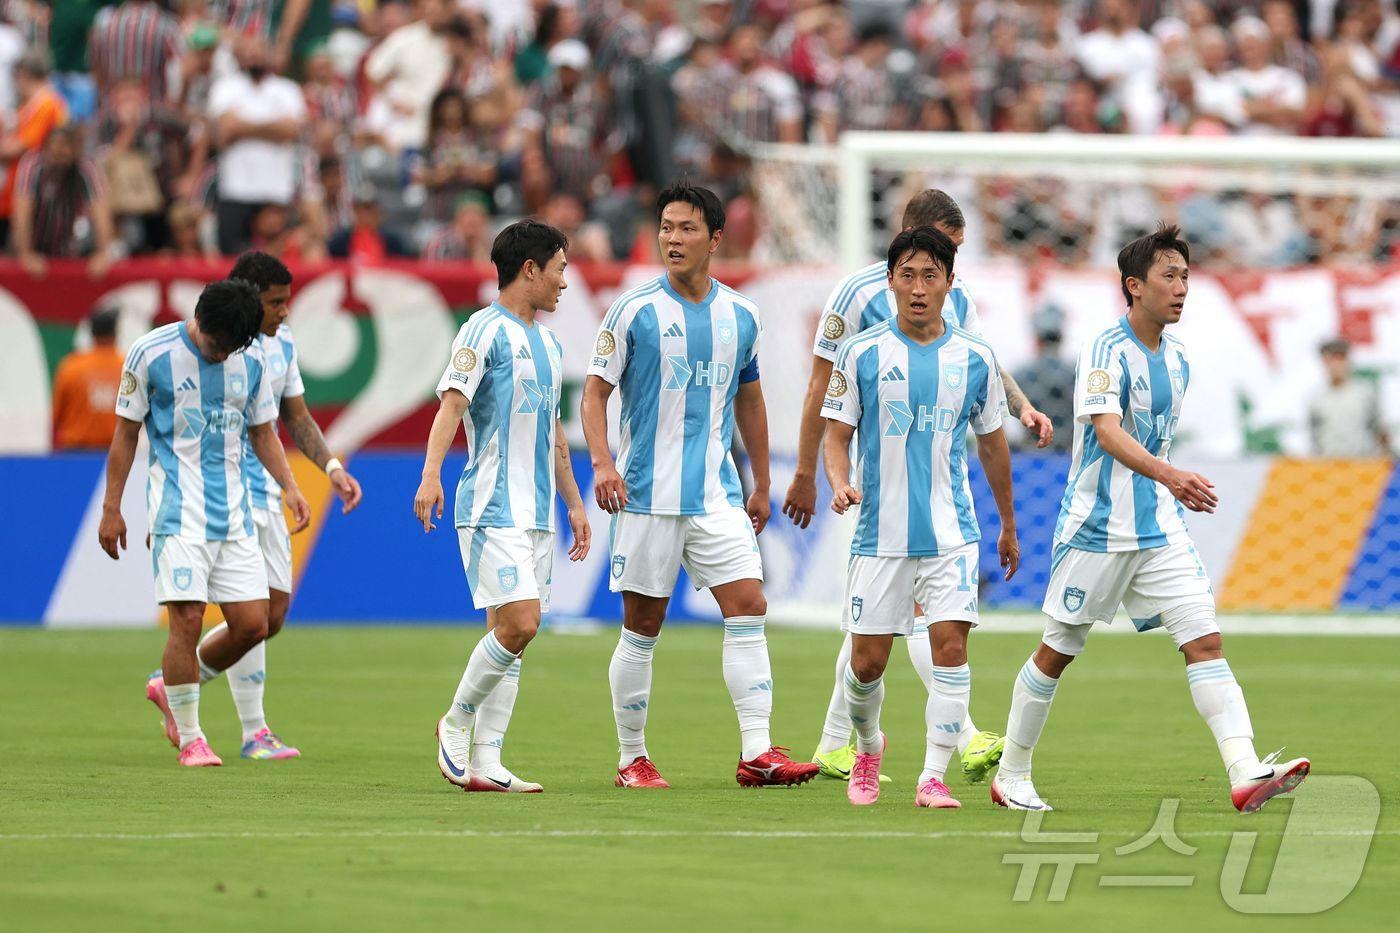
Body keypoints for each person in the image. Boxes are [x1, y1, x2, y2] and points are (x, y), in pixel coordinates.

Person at [990, 223, 1310, 813]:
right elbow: (1107, 432)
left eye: (1186, 276)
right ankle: (1011, 774)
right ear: (1134, 286)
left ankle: (1244, 769)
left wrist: (1168, 483)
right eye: (1169, 276)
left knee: (1204, 639)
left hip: (1158, 526)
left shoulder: (1180, 358)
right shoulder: (1104, 350)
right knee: (1057, 650)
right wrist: (1172, 475)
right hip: (1097, 526)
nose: (1181, 287)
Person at [782, 188, 1052, 784]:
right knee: (870, 643)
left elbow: (982, 363)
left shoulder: (958, 297)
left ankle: (877, 749)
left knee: (923, 628)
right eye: (936, 256)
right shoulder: (856, 298)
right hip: (879, 487)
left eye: (949, 262)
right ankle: (868, 740)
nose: (941, 275)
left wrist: (1023, 406)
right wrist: (810, 473)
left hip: (942, 492)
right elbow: (822, 387)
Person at [581, 182, 819, 790]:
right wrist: (604, 464)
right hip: (646, 494)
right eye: (665, 227)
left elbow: (751, 396)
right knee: (644, 623)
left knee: (749, 607)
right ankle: (631, 757)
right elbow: (594, 392)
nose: (672, 239)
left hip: (717, 493)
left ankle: (757, 751)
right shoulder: (633, 311)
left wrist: (761, 482)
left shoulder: (741, 314)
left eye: (686, 228)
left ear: (715, 239)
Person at [821, 226, 1018, 808]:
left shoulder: (976, 358)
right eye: (906, 275)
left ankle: (931, 777)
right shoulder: (860, 354)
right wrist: (839, 481)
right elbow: (837, 438)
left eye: (930, 276)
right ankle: (867, 746)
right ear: (889, 282)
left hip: (951, 533)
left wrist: (1007, 523)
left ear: (950, 284)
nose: (918, 288)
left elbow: (992, 445)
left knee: (950, 649)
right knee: (866, 664)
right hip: (879, 534)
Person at [98, 279, 312, 767]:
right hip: (176, 512)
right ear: (201, 322)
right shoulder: (150, 354)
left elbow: (263, 432)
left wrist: (290, 485)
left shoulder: (253, 358)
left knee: (254, 625)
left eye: (232, 348)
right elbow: (125, 434)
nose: (223, 356)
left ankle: (170, 683)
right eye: (218, 346)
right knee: (188, 619)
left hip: (235, 513)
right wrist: (113, 506)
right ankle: (192, 737)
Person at [414, 220, 591, 793]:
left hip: (538, 513)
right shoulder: (481, 331)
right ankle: (456, 721)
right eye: (560, 268)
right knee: (521, 623)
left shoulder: (548, 343)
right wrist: (430, 474)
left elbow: (555, 436)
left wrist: (575, 504)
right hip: (492, 505)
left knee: (509, 638)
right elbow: (451, 404)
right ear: (531, 270)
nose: (566, 281)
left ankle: (487, 761)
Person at [193, 251, 364, 761]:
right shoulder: (214, 346)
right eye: (276, 302)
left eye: (287, 300)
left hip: (268, 485)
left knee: (273, 615)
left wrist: (331, 468)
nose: (286, 311)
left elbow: (296, 416)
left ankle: (177, 678)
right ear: (248, 296)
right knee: (252, 614)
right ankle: (253, 731)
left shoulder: (282, 343)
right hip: (225, 489)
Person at [208, 33, 307, 256]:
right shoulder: (225, 87)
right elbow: (225, 131)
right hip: (236, 190)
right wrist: (273, 127)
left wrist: (244, 126)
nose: (254, 55)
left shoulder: (287, 89)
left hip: (276, 190)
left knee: (278, 262)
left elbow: (291, 130)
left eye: (259, 49)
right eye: (249, 50)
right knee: (233, 262)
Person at [11, 126, 114, 279]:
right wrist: (26, 253)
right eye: (55, 154)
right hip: (36, 241)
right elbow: (22, 212)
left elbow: (101, 212)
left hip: (73, 245)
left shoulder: (87, 167)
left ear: (75, 151)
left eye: (65, 153)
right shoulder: (31, 165)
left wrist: (103, 253)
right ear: (44, 150)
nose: (59, 158)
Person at [0, 50, 69, 249]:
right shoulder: (28, 106)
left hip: (33, 193)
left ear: (23, 74)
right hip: (13, 192)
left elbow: (24, 146)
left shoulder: (47, 104)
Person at [51, 306, 124, 451]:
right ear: (115, 333)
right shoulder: (128, 366)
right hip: (115, 454)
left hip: (75, 454)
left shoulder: (71, 366)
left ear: (92, 333)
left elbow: (56, 417)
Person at [1309, 338, 1391, 457]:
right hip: (1329, 466)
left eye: (1340, 359)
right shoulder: (1316, 399)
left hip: (1363, 465)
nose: (1335, 365)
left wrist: (1386, 458)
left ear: (1348, 361)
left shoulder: (1365, 393)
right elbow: (1314, 439)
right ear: (1324, 363)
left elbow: (1380, 430)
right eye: (1330, 360)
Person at [1011, 306, 1076, 452]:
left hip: (1031, 454)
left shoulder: (1020, 375)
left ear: (1037, 340)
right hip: (1070, 456)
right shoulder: (1077, 374)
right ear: (1061, 338)